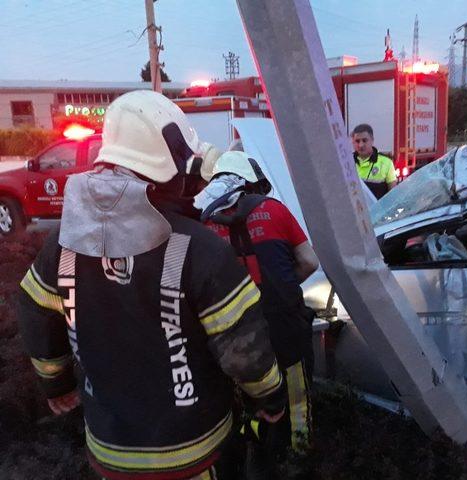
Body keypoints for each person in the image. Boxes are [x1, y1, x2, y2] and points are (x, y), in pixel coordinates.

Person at [18, 90, 286, 480]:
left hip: (109, 452)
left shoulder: (64, 242)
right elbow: (245, 351)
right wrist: (270, 398)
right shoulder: (200, 250)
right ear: (172, 168)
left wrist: (56, 384)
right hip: (195, 452)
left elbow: (35, 311)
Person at [193, 150, 319, 477]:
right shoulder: (276, 211)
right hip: (284, 322)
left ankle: (257, 455)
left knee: (251, 394)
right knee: (298, 398)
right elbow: (309, 261)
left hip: (238, 331)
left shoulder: (207, 223)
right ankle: (299, 458)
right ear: (252, 182)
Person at [351, 123, 397, 199]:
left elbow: (393, 196)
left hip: (378, 210)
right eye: (357, 141)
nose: (361, 145)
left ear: (372, 140)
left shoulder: (386, 163)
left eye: (364, 140)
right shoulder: (347, 162)